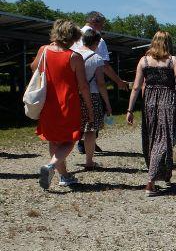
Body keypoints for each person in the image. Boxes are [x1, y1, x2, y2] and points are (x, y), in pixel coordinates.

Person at [126, 31, 176, 196]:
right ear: (169, 43)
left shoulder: (143, 61)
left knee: (151, 140)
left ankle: (162, 173)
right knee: (163, 141)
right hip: (168, 103)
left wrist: (130, 109)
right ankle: (150, 181)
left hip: (149, 103)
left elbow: (136, 87)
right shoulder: (173, 61)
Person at [32, 20, 95, 190]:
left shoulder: (44, 50)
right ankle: (51, 166)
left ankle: (64, 176)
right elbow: (83, 86)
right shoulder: (74, 57)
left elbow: (33, 68)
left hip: (48, 103)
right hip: (68, 103)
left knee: (54, 139)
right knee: (70, 139)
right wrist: (90, 109)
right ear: (74, 37)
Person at [72, 11, 128, 154]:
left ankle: (72, 146)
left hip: (73, 86)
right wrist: (118, 81)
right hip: (92, 86)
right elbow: (104, 66)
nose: (102, 28)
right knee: (93, 119)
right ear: (95, 23)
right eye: (102, 25)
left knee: (77, 117)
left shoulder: (73, 35)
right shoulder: (99, 40)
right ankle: (86, 145)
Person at [75, 29, 113, 169]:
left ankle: (61, 160)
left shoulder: (73, 55)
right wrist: (107, 104)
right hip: (92, 96)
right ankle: (89, 161)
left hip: (74, 96)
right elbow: (101, 83)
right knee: (90, 130)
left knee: (73, 127)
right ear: (96, 43)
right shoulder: (96, 58)